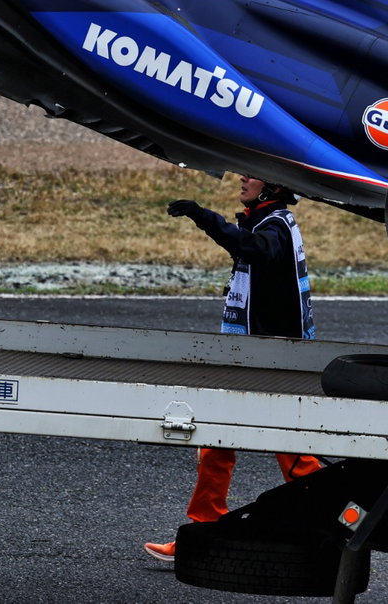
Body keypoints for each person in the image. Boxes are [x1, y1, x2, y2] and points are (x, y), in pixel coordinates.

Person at [143, 175, 322, 562]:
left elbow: (252, 249)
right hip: (252, 356)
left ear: (274, 187)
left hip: (270, 361)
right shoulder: (267, 221)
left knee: (292, 454)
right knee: (216, 442)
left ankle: (331, 530)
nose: (242, 177)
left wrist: (205, 217)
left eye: (252, 174)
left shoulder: (274, 227)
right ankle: (202, 534)